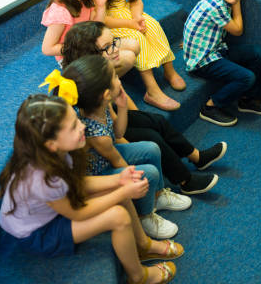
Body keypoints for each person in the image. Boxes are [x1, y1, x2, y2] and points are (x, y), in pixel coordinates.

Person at [0, 94, 182, 284]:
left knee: (118, 192)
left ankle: (142, 245)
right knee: (118, 217)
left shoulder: (54, 153)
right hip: (39, 234)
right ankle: (139, 276)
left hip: (50, 211)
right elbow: (77, 213)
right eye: (73, 127)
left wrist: (118, 179)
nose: (82, 126)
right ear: (51, 143)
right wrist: (122, 192)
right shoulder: (43, 178)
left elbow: (77, 182)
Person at [61, 21, 227, 195]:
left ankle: (197, 157)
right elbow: (112, 137)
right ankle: (186, 181)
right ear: (89, 54)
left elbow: (117, 101)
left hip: (110, 118)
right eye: (108, 47)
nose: (116, 49)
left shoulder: (101, 70)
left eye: (115, 41)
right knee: (151, 137)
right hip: (101, 138)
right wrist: (137, 146)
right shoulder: (85, 88)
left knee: (157, 121)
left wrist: (139, 117)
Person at [45, 55, 191, 240]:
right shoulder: (95, 133)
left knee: (152, 148)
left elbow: (119, 133)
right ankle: (144, 216)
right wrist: (136, 176)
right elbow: (118, 162)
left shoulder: (102, 106)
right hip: (99, 172)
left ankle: (159, 195)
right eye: (115, 77)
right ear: (106, 94)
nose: (119, 79)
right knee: (149, 173)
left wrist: (122, 107)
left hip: (109, 157)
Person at [183, 0, 261, 127]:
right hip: (202, 62)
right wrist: (238, 2)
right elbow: (238, 30)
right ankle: (211, 106)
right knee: (247, 77)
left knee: (257, 53)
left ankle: (246, 99)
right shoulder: (215, 5)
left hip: (215, 50)